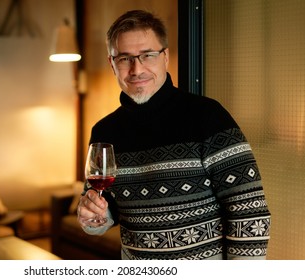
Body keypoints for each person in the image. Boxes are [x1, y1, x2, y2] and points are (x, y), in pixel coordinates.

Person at [77, 10, 271, 260]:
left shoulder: (208, 116)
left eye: (147, 55)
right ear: (112, 64)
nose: (136, 69)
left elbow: (250, 212)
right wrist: (93, 218)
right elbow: (101, 210)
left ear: (165, 57)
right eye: (125, 58)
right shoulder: (104, 131)